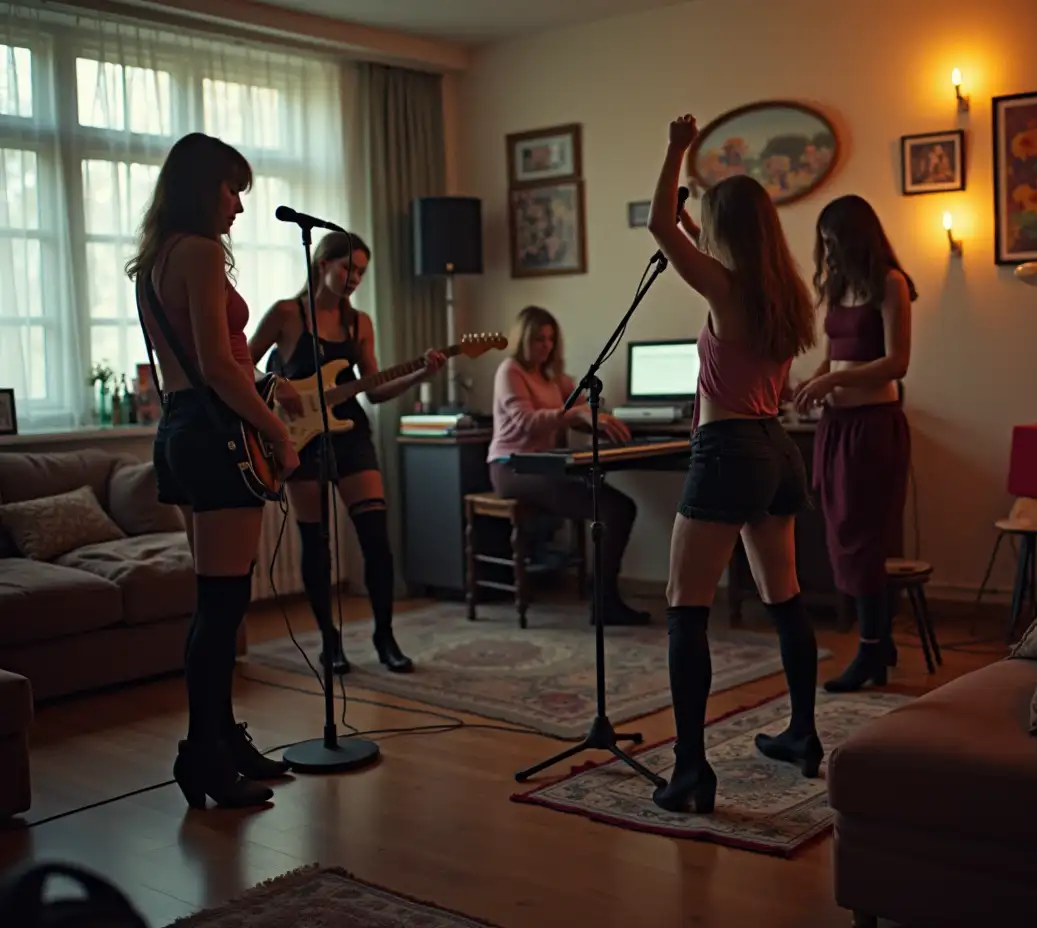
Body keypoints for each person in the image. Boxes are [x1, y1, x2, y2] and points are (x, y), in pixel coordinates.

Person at [646, 115, 823, 814]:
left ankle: (691, 773)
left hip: (725, 454)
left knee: (684, 610)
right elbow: (685, 233)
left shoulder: (724, 290)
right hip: (775, 451)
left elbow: (661, 225)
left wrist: (674, 149)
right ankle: (803, 736)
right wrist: (698, 221)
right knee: (785, 601)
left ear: (725, 234)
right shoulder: (783, 291)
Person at [126, 132, 300, 809]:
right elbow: (218, 368)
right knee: (223, 607)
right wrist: (278, 432)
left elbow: (202, 365)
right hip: (214, 432)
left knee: (215, 605)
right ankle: (203, 753)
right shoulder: (198, 252)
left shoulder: (156, 259)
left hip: (180, 429)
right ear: (204, 188)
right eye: (233, 191)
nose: (239, 207)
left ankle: (222, 740)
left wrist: (261, 384)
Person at [248, 231, 446, 675]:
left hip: (350, 432)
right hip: (299, 437)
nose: (354, 278)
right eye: (348, 268)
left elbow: (373, 390)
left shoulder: (360, 324)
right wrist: (274, 383)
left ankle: (385, 637)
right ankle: (329, 642)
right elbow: (245, 360)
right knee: (316, 543)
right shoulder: (286, 313)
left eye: (361, 271)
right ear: (322, 264)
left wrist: (417, 376)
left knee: (376, 538)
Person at [793, 194, 914, 692]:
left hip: (872, 425)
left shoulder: (891, 283)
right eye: (823, 242)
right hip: (837, 427)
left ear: (858, 235)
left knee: (865, 538)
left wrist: (834, 383)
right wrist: (813, 382)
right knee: (841, 530)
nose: (829, 250)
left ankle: (869, 650)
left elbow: (897, 362)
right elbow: (834, 357)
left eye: (834, 239)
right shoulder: (840, 287)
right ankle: (878, 642)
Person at [486, 305, 650, 625]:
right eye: (538, 339)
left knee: (619, 507)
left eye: (550, 339)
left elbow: (578, 410)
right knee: (615, 508)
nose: (545, 346)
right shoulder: (510, 371)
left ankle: (602, 593)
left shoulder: (551, 377)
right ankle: (603, 599)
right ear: (523, 339)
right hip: (510, 468)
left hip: (543, 466)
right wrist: (574, 416)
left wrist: (602, 421)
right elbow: (526, 422)